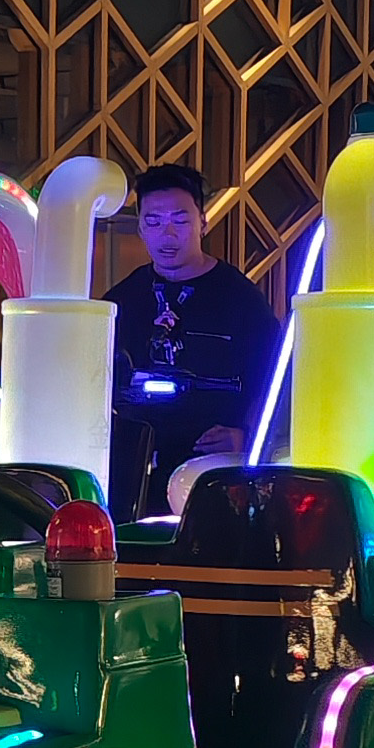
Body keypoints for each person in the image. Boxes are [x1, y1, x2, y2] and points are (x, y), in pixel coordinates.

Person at [110, 166, 282, 516]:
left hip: (214, 472)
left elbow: (278, 380)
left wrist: (245, 436)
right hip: (134, 470)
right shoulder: (123, 299)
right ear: (141, 227)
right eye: (154, 221)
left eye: (180, 219)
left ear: (203, 222)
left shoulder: (240, 299)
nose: (167, 234)